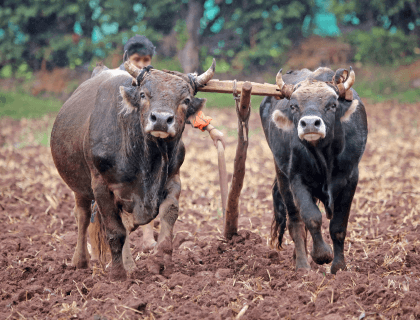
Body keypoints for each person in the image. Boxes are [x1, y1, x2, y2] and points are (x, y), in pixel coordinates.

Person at [116, 35, 225, 251]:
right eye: (137, 60)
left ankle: (148, 238)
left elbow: (180, 108)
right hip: (125, 149)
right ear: (128, 60)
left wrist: (211, 129)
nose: (142, 65)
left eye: (146, 60)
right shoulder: (119, 79)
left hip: (155, 148)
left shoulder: (157, 80)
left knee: (152, 187)